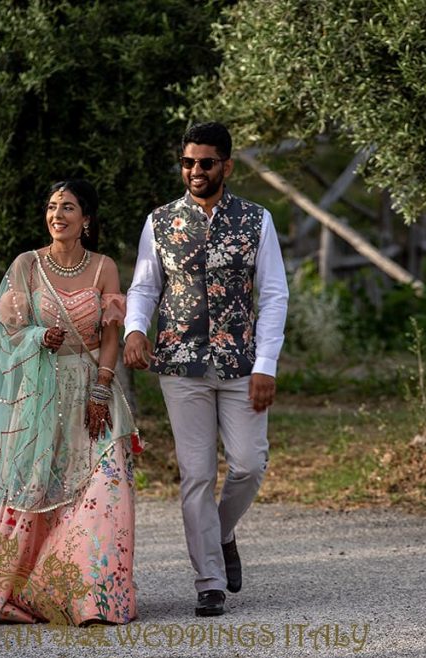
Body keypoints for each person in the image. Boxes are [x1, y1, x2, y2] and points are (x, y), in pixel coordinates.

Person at [0, 179, 141, 626]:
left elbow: (111, 334)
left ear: (86, 219)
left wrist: (102, 387)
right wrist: (37, 337)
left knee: (107, 489)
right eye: (52, 207)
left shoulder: (103, 267)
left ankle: (94, 600)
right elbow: (6, 336)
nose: (57, 214)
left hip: (93, 389)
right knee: (37, 489)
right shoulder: (26, 267)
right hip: (44, 397)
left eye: (68, 207)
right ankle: (27, 591)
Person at [124, 122, 288, 617]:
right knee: (195, 475)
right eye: (189, 162)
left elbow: (275, 294)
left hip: (241, 365)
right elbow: (145, 287)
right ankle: (209, 580)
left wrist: (266, 364)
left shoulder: (256, 220)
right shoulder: (160, 222)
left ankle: (222, 532)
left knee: (248, 464)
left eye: (206, 162)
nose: (196, 171)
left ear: (226, 166)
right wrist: (135, 328)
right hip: (180, 365)